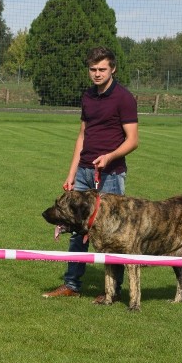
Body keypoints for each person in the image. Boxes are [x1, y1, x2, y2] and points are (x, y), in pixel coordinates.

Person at [42, 46, 138, 302]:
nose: (96, 74)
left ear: (113, 69)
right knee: (75, 230)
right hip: (84, 173)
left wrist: (109, 157)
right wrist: (71, 173)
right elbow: (82, 135)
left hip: (111, 175)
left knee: (113, 235)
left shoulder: (124, 98)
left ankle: (112, 291)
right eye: (93, 69)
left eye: (102, 69)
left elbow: (133, 140)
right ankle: (71, 284)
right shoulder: (87, 96)